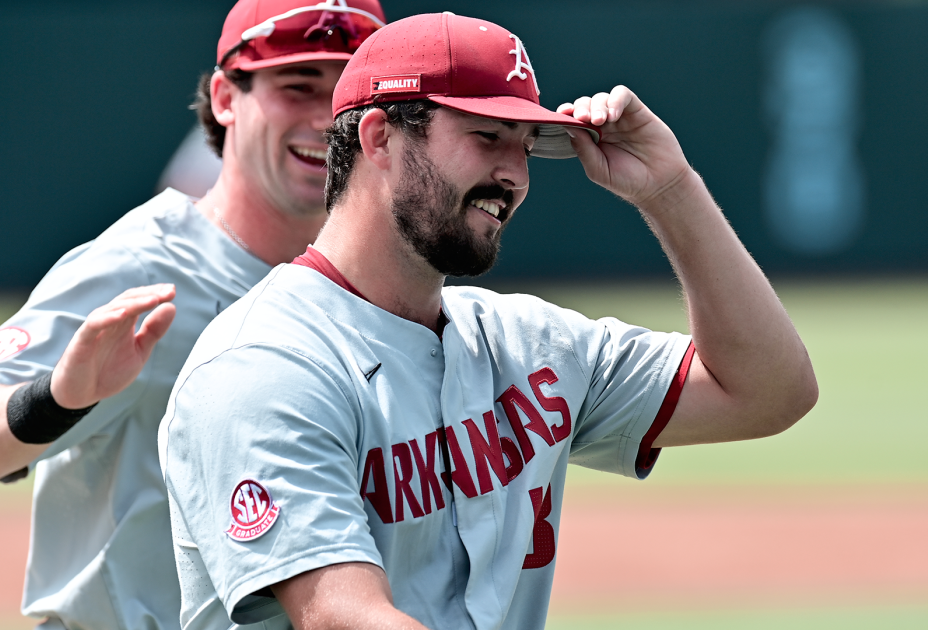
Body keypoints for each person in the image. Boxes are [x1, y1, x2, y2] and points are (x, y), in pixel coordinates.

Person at [159, 11, 819, 630]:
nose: (514, 175)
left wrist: (671, 190)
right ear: (380, 137)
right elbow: (340, 615)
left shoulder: (528, 344)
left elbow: (768, 392)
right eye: (486, 135)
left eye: (527, 144)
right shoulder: (265, 367)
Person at [0, 1, 387, 628]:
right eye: (296, 86)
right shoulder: (143, 268)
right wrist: (61, 396)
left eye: (346, 93)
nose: (326, 119)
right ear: (225, 96)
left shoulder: (376, 281)